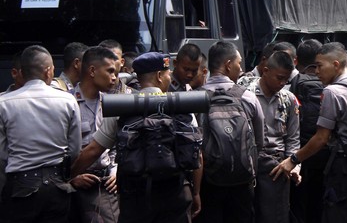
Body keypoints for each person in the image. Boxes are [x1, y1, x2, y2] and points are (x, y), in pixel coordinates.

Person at [71, 52, 202, 222]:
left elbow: (94, 150)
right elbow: (197, 154)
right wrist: (197, 192)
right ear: (159, 76)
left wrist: (69, 175)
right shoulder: (181, 105)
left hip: (134, 195)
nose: (170, 77)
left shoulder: (122, 107)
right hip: (175, 192)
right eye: (168, 73)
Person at [272, 42, 347, 223]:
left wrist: (293, 160)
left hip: (345, 171)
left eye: (320, 66)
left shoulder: (333, 92)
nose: (316, 71)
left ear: (336, 65)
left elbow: (321, 138)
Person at [0, 45, 82, 222]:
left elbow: (2, 155)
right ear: (48, 71)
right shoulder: (68, 100)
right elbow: (75, 149)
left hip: (19, 187)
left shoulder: (3, 102)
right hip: (57, 186)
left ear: (22, 71)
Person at [196, 41, 265, 223]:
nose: (241, 68)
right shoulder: (247, 97)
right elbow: (259, 142)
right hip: (242, 182)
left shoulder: (194, 99)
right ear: (228, 65)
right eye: (238, 62)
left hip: (208, 181)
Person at [68, 46, 120, 223]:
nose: (114, 77)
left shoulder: (112, 104)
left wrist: (115, 172)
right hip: (71, 183)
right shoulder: (67, 103)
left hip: (103, 184)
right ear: (92, 71)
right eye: (110, 71)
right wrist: (72, 177)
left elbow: (116, 146)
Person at [248, 51, 301, 223]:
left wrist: (293, 166)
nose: (283, 83)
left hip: (277, 166)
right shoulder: (246, 95)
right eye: (279, 78)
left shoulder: (289, 99)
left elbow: (293, 138)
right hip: (251, 162)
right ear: (265, 70)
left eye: (286, 79)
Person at [289, 38, 326, 223]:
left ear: (297, 59)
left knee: (299, 203)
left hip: (300, 153)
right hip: (325, 153)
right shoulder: (328, 82)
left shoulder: (294, 82)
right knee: (320, 203)